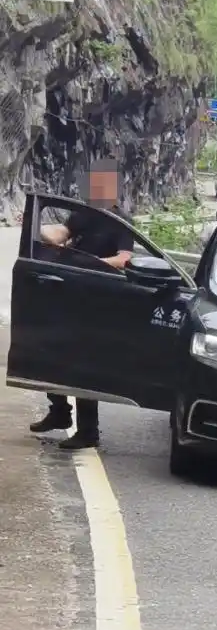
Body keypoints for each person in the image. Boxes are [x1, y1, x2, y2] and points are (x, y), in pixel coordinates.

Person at [28, 157, 134, 451]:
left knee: (84, 363)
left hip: (99, 298)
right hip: (71, 292)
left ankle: (89, 431)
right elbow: (60, 235)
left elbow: (124, 258)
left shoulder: (120, 221)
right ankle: (59, 410)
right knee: (52, 351)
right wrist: (36, 226)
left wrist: (92, 264)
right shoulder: (83, 215)